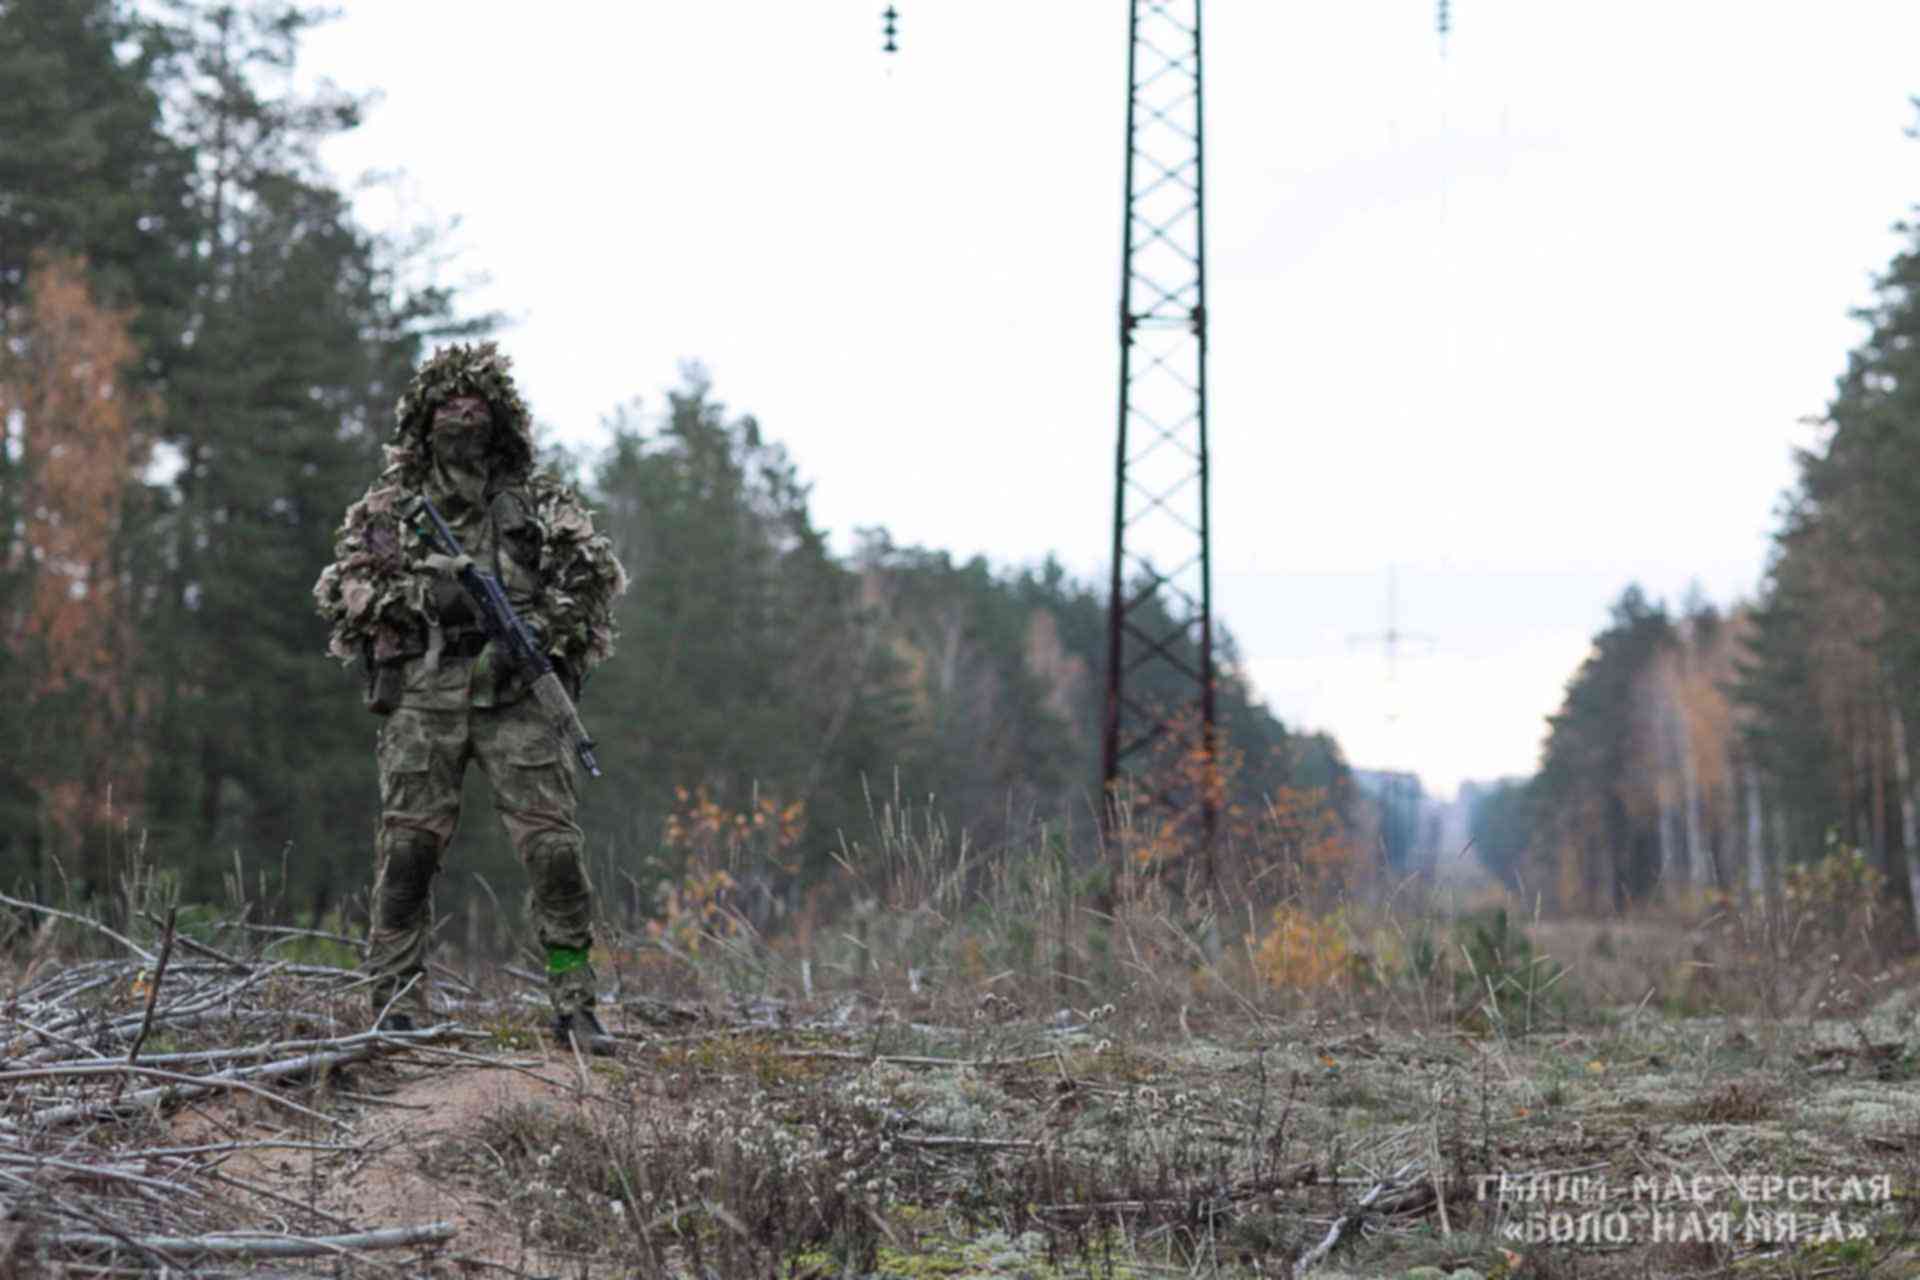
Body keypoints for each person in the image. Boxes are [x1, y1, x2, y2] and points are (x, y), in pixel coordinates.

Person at [313, 342, 628, 1055]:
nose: (463, 414)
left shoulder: (541, 504)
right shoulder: (391, 509)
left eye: (476, 404)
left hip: (515, 694)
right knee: (408, 854)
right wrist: (433, 596)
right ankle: (394, 1003)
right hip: (424, 694)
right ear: (423, 420)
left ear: (502, 419)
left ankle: (575, 1003)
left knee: (554, 853)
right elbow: (346, 592)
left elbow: (591, 580)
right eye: (448, 404)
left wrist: (535, 634)